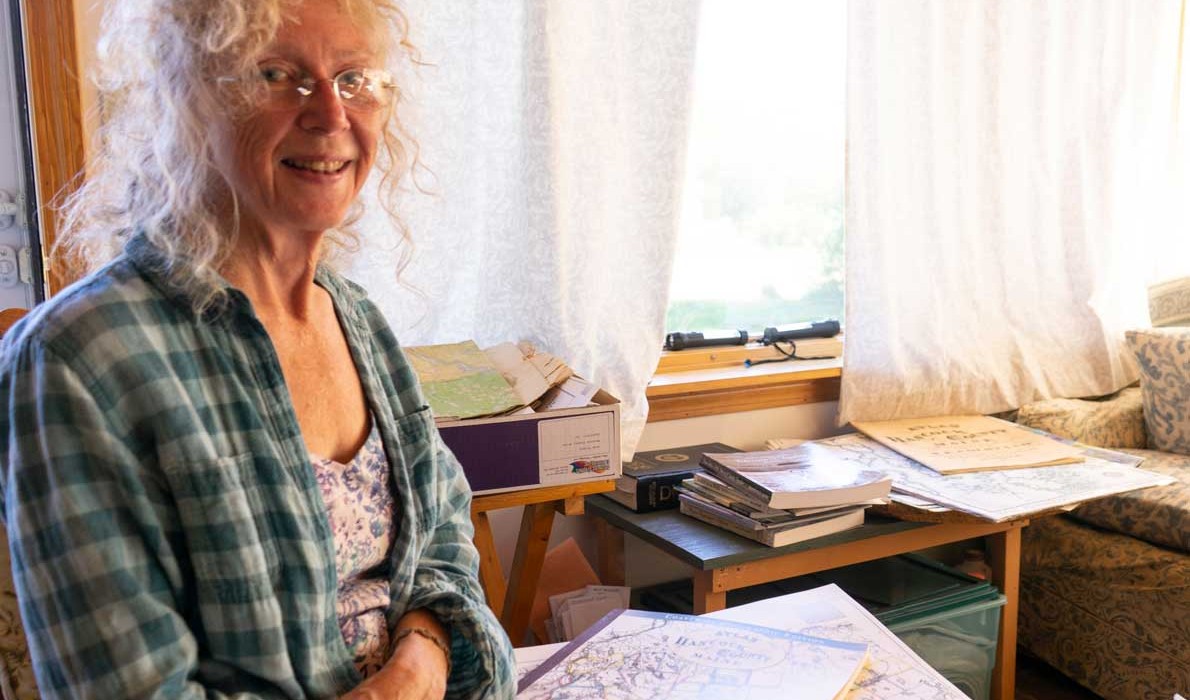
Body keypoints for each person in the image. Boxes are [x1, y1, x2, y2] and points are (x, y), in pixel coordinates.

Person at [0, 0, 515, 697]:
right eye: (278, 74)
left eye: (355, 78)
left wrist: (422, 655)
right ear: (187, 99)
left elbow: (443, 538)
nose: (332, 114)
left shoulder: (355, 315)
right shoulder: (74, 362)